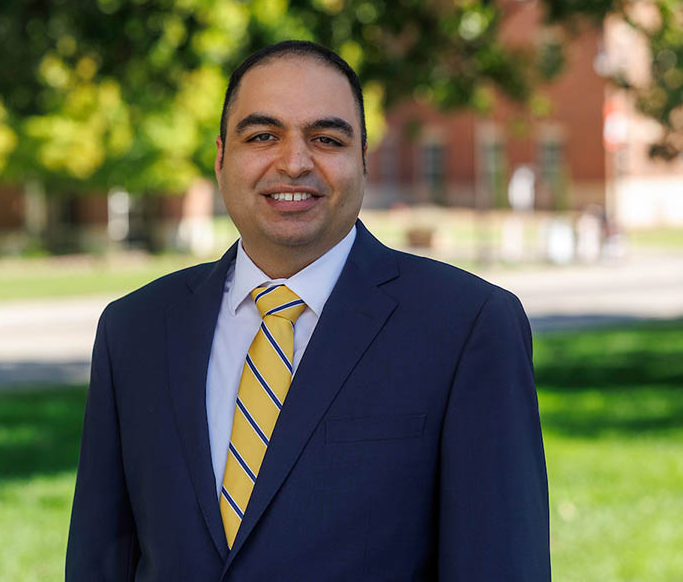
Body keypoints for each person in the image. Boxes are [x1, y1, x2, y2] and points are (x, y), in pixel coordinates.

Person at [66, 40, 551, 581]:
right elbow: (99, 558)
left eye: (326, 138)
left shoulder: (468, 326)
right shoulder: (134, 330)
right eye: (263, 136)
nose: (294, 162)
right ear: (222, 158)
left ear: (362, 161)